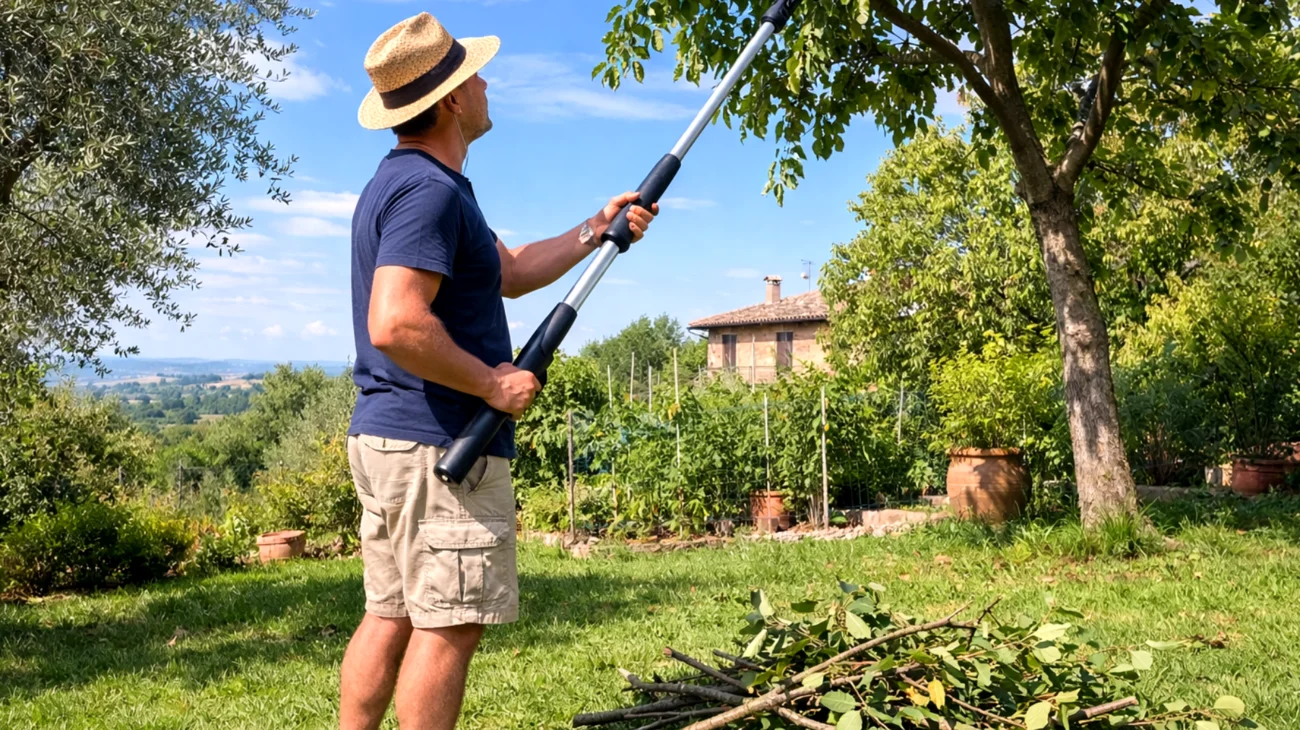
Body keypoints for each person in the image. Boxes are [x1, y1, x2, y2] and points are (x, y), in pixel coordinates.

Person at [339, 12, 657, 730]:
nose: (485, 83)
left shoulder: (413, 183)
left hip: (390, 438)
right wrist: (491, 384)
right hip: (439, 442)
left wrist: (594, 229)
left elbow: (509, 273)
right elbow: (394, 321)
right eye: (473, 73)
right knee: (448, 625)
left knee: (390, 614)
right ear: (452, 99)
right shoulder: (430, 192)